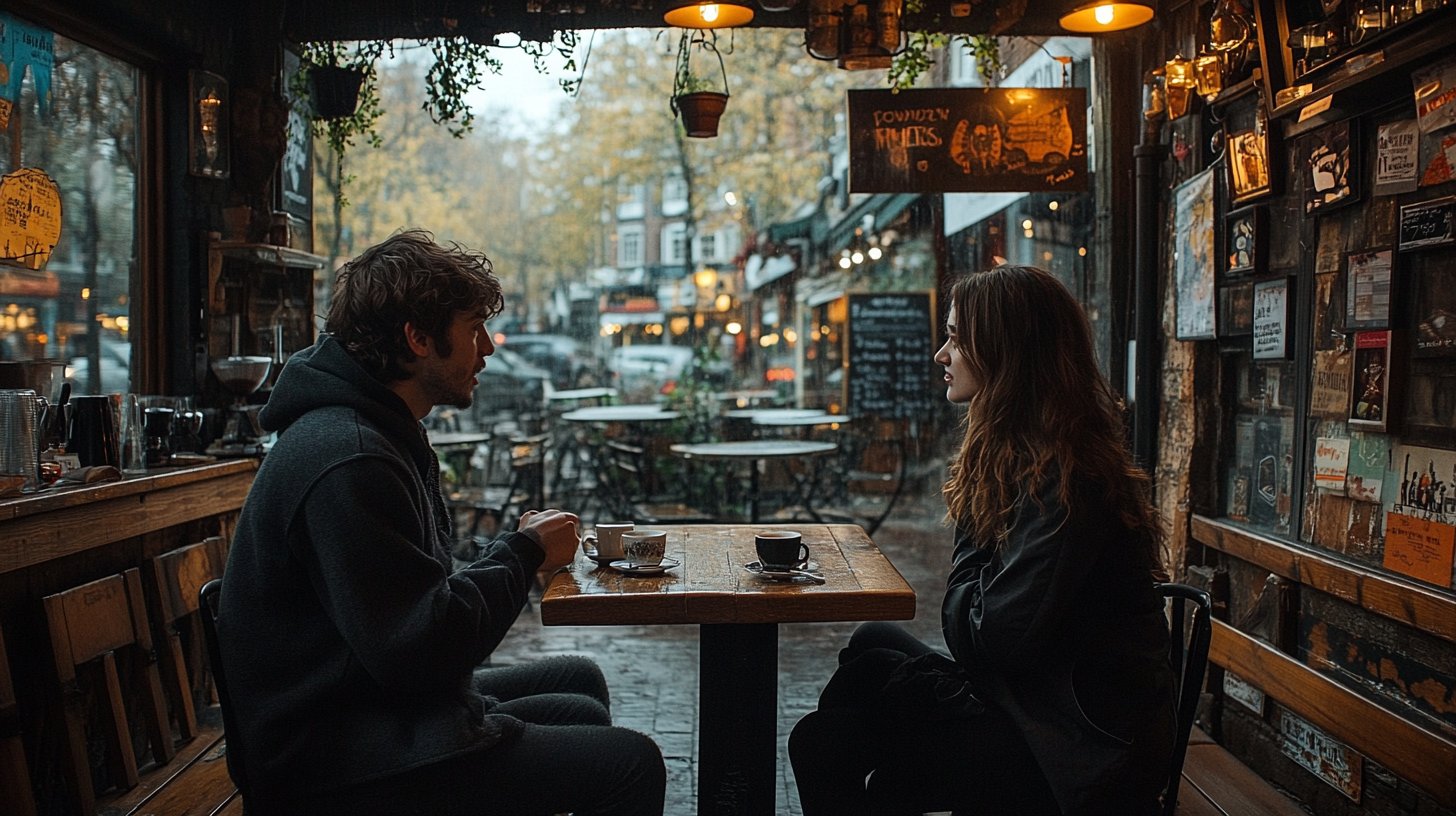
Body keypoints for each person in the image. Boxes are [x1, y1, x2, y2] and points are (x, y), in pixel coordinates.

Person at [218, 230, 665, 815]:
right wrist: (523, 553)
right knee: (632, 764)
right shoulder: (352, 458)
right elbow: (419, 651)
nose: (489, 347)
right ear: (418, 338)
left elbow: (414, 598)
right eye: (474, 328)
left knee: (580, 684)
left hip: (365, 706)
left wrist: (514, 548)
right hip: (336, 757)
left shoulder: (372, 431)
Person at [789, 265, 1175, 815]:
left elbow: (990, 640)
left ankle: (882, 778)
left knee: (821, 741)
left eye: (956, 339)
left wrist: (972, 530)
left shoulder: (1066, 480)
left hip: (1076, 751)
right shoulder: (1033, 454)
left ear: (1004, 354)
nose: (940, 355)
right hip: (1034, 703)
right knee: (870, 646)